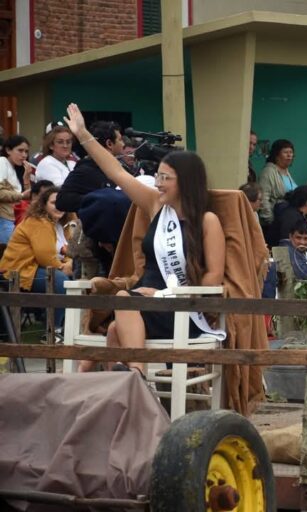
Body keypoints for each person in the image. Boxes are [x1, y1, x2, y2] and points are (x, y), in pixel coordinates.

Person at [64, 103, 225, 375]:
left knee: (122, 308)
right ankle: (117, 387)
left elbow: (214, 276)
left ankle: (132, 376)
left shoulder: (207, 221)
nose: (158, 183)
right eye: (158, 176)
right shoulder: (155, 206)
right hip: (140, 304)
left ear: (185, 182)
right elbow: (116, 172)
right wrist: (82, 135)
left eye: (165, 178)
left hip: (181, 308)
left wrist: (166, 294)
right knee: (116, 323)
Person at [0, 186, 74, 328]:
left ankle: (72, 328)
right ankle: (53, 330)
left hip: (39, 268)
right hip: (18, 271)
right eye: (53, 203)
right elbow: (45, 257)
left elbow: (71, 251)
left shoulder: (62, 224)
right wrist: (63, 267)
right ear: (43, 204)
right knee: (61, 282)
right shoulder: (39, 222)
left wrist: (69, 263)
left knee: (77, 279)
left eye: (62, 203)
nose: (59, 206)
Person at [56, 121, 124, 213]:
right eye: (120, 140)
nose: (123, 144)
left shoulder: (120, 168)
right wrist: (98, 200)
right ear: (109, 144)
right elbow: (62, 201)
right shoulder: (85, 170)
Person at [258, 139, 297, 227]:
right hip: (275, 221)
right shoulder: (268, 172)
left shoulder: (286, 172)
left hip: (287, 220)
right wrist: (271, 221)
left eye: (291, 152)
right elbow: (263, 198)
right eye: (285, 152)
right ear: (276, 155)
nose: (289, 155)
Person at [0, 135, 31, 243]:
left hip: (17, 219)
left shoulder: (18, 169)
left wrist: (26, 178)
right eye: (20, 150)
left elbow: (28, 198)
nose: (24, 155)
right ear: (8, 150)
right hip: (5, 220)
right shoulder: (2, 161)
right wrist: (21, 196)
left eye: (26, 152)